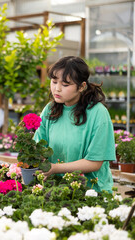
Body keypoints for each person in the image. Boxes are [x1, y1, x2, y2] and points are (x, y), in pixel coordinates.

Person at [34, 56, 115, 192]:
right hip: (55, 189)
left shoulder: (98, 113)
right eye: (54, 82)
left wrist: (55, 168)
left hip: (90, 192)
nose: (57, 89)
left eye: (65, 85)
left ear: (82, 86)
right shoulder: (50, 109)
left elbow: (94, 162)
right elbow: (38, 146)